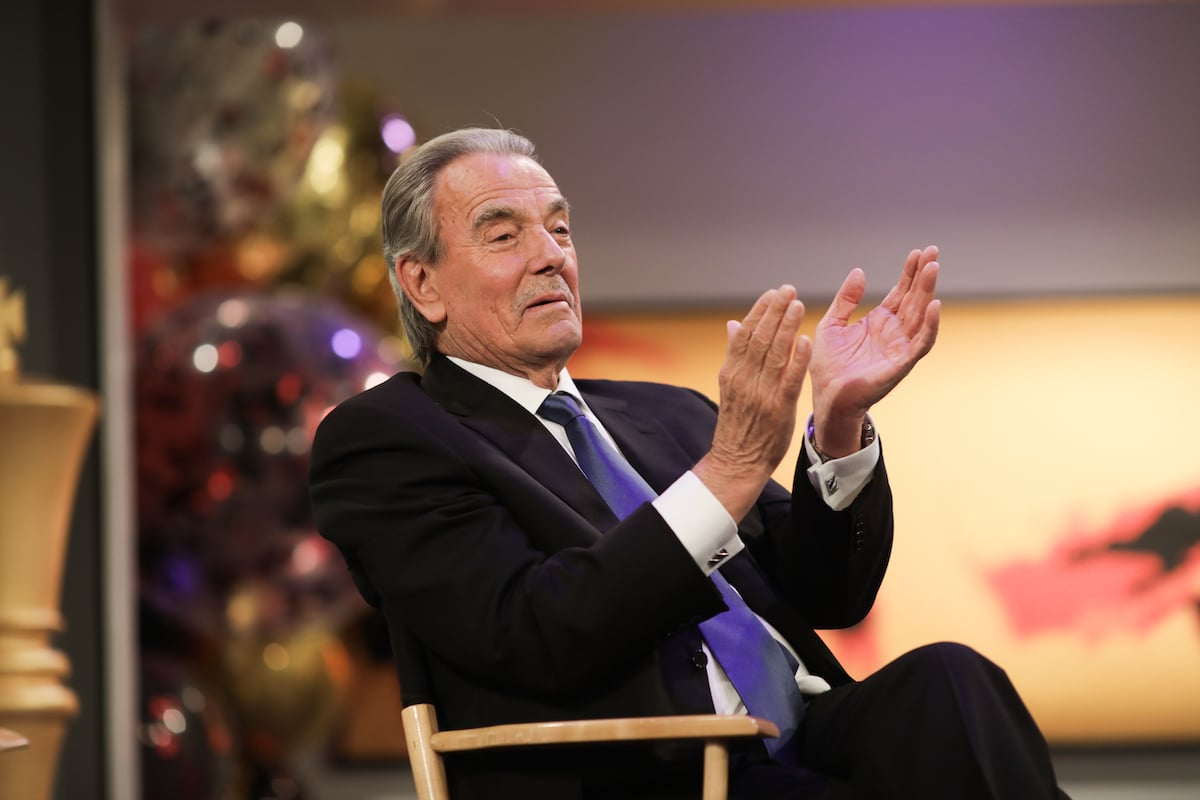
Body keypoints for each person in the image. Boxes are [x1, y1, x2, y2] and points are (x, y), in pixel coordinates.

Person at [309, 127, 1069, 799]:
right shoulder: (390, 438)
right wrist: (729, 470)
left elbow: (828, 594)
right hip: (652, 771)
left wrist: (838, 424)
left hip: (811, 732)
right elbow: (537, 633)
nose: (551, 257)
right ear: (423, 284)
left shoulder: (665, 414)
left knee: (949, 681)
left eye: (561, 229)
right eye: (504, 236)